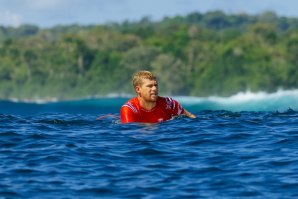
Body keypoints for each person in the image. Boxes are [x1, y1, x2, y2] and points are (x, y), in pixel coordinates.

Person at [120, 70, 196, 123]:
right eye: (150, 86)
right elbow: (130, 138)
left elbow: (192, 120)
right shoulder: (129, 109)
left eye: (156, 85)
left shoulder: (169, 104)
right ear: (138, 89)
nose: (154, 89)